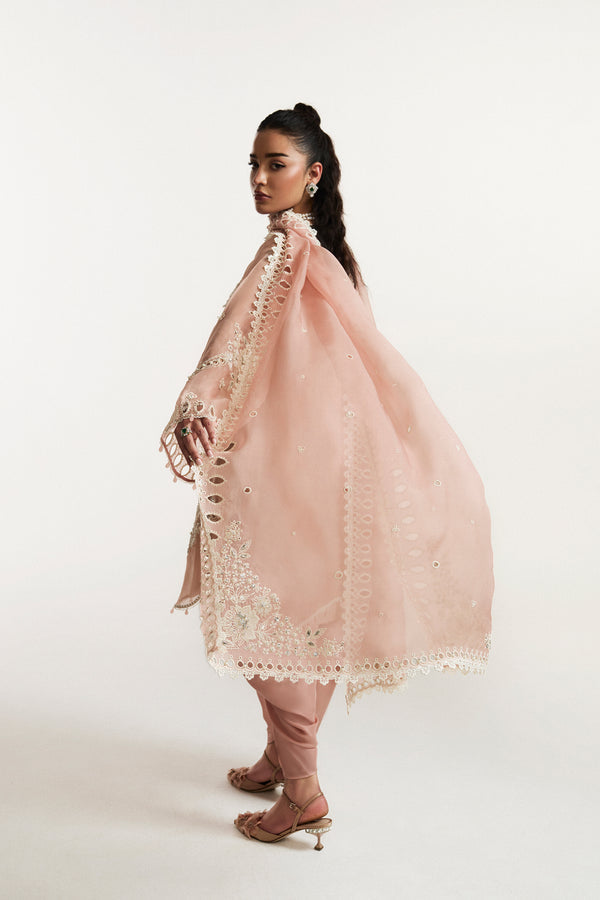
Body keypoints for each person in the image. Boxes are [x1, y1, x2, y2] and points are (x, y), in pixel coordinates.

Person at [159, 103, 494, 850]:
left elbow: (233, 340)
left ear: (312, 174)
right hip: (323, 461)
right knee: (305, 607)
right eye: (253, 164)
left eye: (274, 164)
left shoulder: (291, 250)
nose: (258, 178)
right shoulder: (328, 252)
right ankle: (282, 756)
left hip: (288, 462)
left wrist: (198, 401)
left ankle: (304, 793)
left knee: (269, 607)